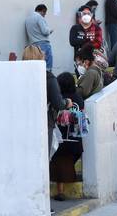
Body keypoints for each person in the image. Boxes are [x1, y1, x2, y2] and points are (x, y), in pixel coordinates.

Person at [22, 45, 71, 159]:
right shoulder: (48, 78)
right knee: (43, 157)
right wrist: (67, 102)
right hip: (44, 121)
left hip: (25, 121)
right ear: (40, 57)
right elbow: (58, 103)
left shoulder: (18, 75)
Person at [50, 72, 85, 201]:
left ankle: (60, 191)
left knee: (59, 160)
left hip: (59, 139)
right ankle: (64, 183)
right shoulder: (79, 99)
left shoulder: (58, 99)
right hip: (75, 141)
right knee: (66, 162)